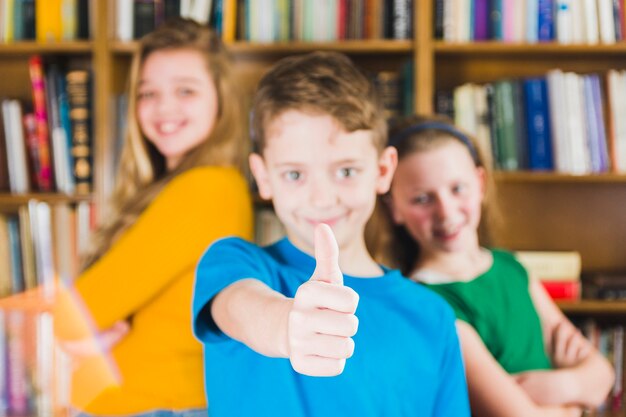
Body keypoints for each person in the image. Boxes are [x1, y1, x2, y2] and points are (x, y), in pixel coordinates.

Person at [192, 51, 470, 417]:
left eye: (346, 171)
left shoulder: (433, 317)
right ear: (263, 177)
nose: (322, 198)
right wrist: (286, 325)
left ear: (383, 169)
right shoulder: (235, 262)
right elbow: (240, 307)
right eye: (295, 174)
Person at [54, 18, 253, 416]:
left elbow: (76, 312)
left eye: (186, 90)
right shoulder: (178, 187)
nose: (164, 107)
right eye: (148, 93)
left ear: (221, 98)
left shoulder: (208, 186)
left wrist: (69, 335)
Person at [379, 114, 615, 417]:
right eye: (422, 199)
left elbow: (603, 374)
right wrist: (576, 404)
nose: (445, 211)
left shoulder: (512, 267)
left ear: (480, 184)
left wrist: (563, 386)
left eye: (457, 189)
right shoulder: (427, 304)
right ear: (394, 208)